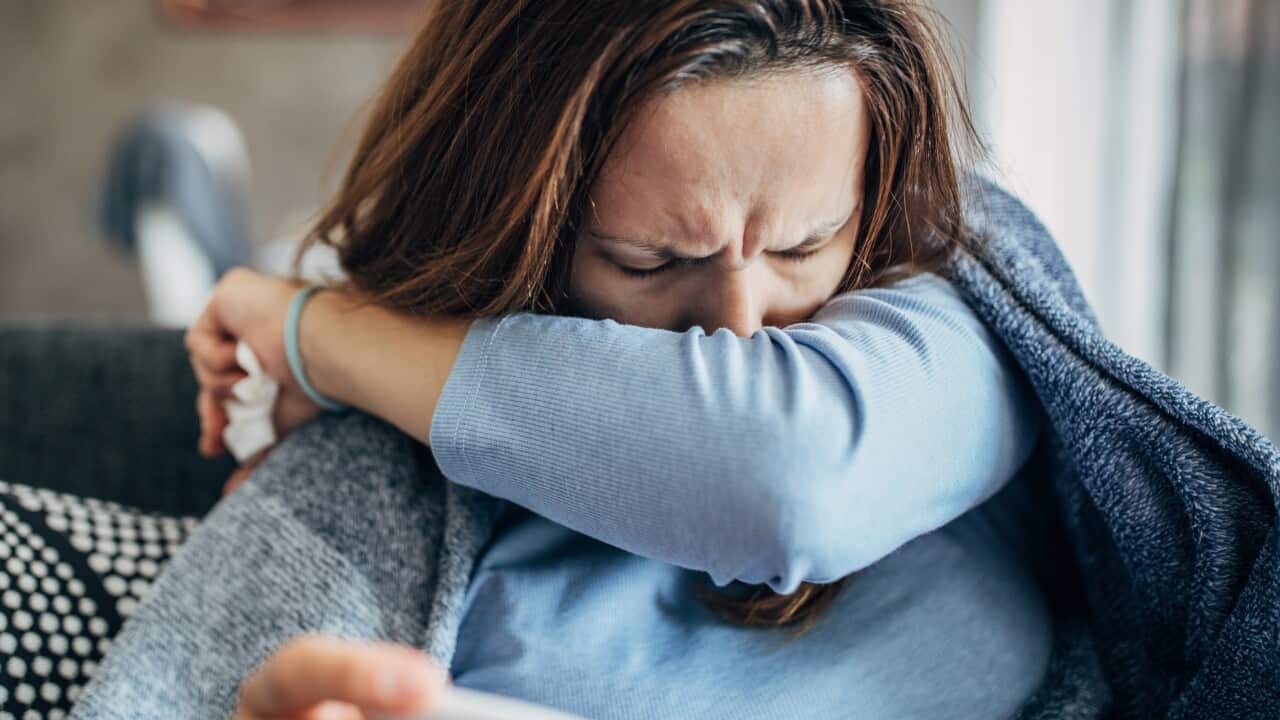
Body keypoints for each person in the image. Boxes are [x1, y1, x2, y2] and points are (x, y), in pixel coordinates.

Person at [62, 1, 1053, 718]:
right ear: (513, 235)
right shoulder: (373, 479)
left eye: (802, 247)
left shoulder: (964, 320)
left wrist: (317, 333)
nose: (743, 327)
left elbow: (784, 477)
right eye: (650, 261)